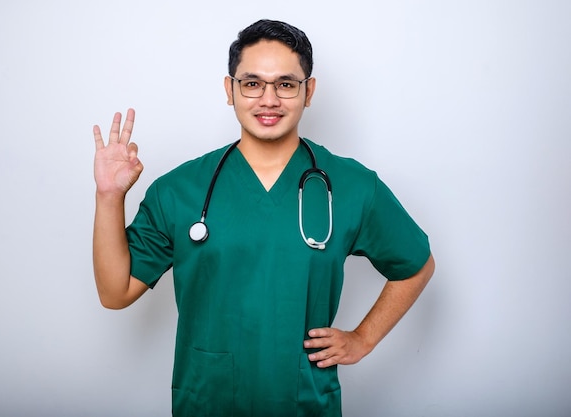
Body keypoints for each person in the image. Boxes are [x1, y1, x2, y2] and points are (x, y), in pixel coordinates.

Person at [92, 19, 434, 417]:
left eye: (286, 84)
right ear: (229, 90)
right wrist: (108, 196)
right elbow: (115, 293)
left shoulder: (353, 185)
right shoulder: (179, 189)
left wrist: (363, 338)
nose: (268, 99)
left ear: (309, 92)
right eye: (252, 83)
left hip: (303, 401)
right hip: (207, 399)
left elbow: (415, 265)